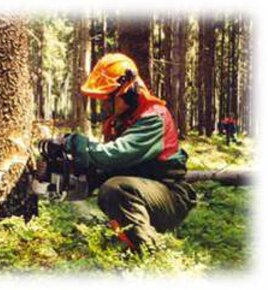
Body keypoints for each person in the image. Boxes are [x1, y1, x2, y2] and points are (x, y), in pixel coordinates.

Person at [63, 53, 197, 252]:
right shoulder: (121, 120)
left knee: (115, 189)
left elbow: (116, 155)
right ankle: (128, 239)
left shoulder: (153, 117)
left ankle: (149, 252)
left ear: (128, 92)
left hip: (170, 195)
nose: (105, 105)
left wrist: (83, 146)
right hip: (146, 188)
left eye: (109, 99)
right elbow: (117, 165)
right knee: (105, 181)